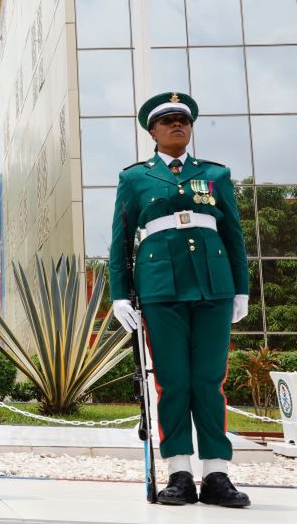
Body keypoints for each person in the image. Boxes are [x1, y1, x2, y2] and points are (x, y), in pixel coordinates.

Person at [109, 92, 250, 508]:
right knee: (173, 383)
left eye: (183, 120)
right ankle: (179, 471)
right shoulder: (135, 178)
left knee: (208, 381)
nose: (177, 125)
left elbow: (234, 237)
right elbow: (121, 241)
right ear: (152, 131)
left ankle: (216, 472)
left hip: (213, 286)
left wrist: (240, 287)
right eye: (168, 120)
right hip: (160, 288)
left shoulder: (216, 174)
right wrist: (120, 295)